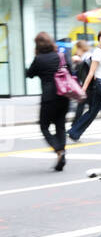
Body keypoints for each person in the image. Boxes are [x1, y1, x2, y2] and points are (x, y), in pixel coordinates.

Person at [26, 32, 71, 171]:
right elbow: (70, 69)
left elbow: (30, 74)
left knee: (44, 126)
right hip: (64, 95)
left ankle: (59, 151)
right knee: (60, 126)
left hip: (49, 98)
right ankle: (61, 154)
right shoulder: (60, 55)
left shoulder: (38, 59)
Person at [72, 38, 101, 130]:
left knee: (93, 106)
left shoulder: (87, 57)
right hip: (90, 86)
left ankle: (74, 126)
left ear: (81, 48)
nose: (76, 51)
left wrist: (79, 62)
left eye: (77, 49)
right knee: (97, 106)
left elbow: (89, 71)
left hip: (91, 86)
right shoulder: (85, 56)